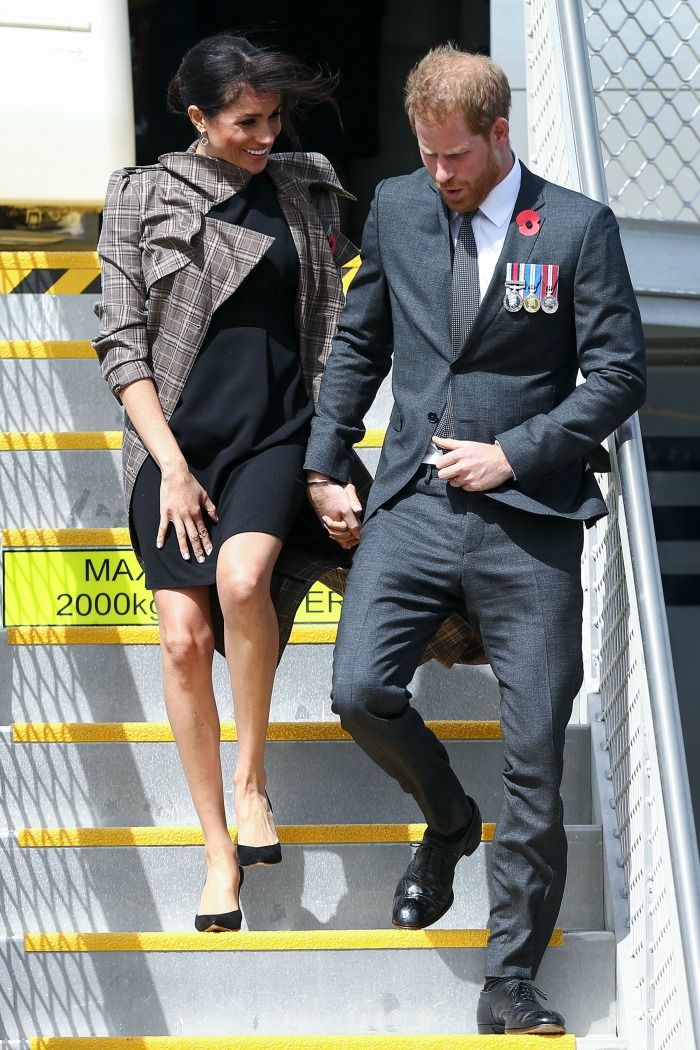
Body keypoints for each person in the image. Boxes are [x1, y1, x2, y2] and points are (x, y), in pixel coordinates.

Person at [305, 45, 645, 1035]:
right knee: (359, 690)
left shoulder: (577, 228)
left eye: (454, 156)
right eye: (426, 153)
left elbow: (618, 376)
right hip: (409, 504)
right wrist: (329, 461)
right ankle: (448, 819)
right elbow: (363, 337)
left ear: (500, 135)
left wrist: (515, 453)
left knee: (535, 760)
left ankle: (509, 984)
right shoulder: (402, 207)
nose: (439, 174)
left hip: (528, 521)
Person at [93, 32, 362, 932]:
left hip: (275, 428)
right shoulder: (140, 196)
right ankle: (218, 854)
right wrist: (169, 467)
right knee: (179, 639)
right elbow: (121, 343)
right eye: (246, 121)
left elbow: (335, 320)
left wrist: (329, 454)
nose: (264, 133)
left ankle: (253, 783)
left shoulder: (304, 183)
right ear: (197, 116)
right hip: (173, 444)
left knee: (245, 581)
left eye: (273, 116)